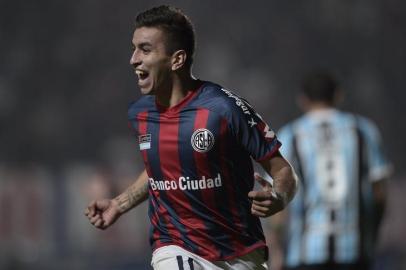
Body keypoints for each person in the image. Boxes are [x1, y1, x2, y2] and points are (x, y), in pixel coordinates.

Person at [84, 5, 298, 270]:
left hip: (241, 253)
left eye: (146, 49)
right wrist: (120, 203)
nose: (134, 59)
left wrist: (279, 196)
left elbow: (283, 170)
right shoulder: (140, 113)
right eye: (134, 48)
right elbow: (160, 170)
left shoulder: (224, 109)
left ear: (177, 60)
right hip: (175, 246)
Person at [274, 71, 392, 270]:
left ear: (302, 100)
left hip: (305, 253)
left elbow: (278, 201)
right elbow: (379, 194)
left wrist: (277, 247)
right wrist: (372, 234)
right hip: (354, 251)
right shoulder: (363, 131)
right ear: (338, 95)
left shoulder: (290, 136)